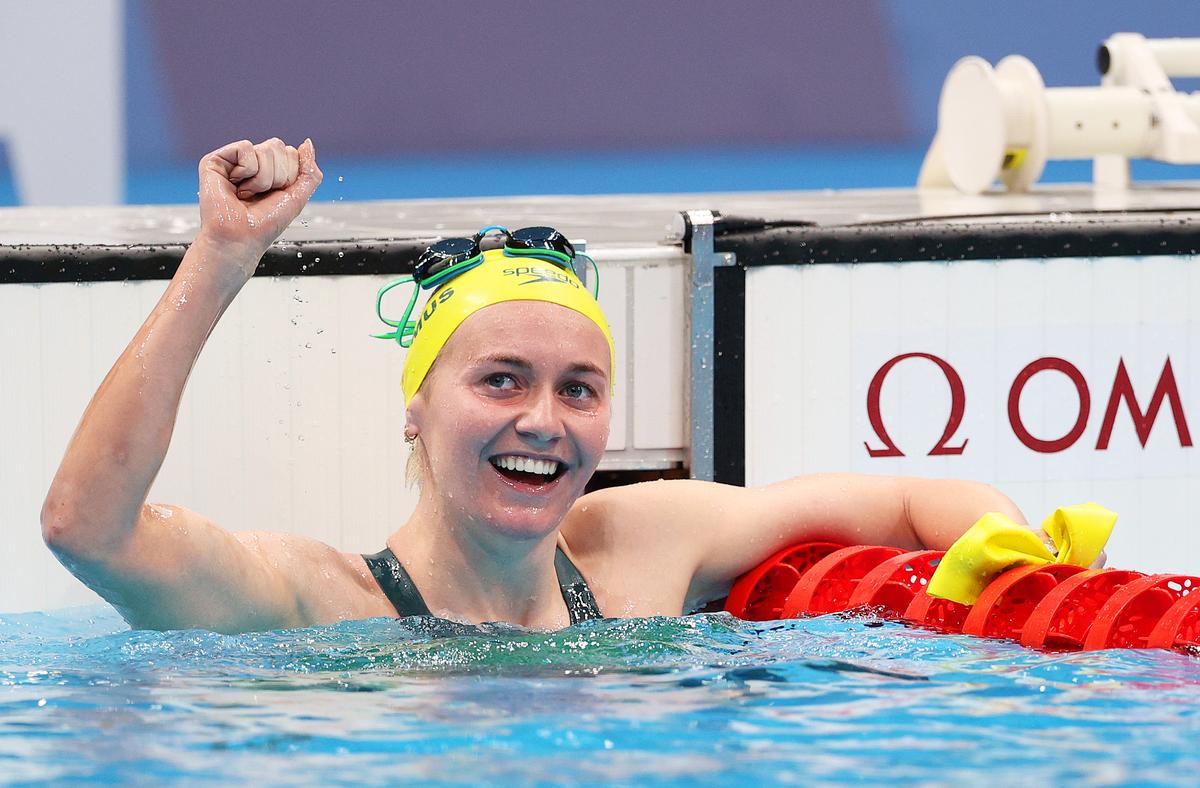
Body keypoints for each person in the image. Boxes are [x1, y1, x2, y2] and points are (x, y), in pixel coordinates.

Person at [41, 138, 1031, 635]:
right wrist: (220, 253)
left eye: (579, 388)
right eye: (501, 379)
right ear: (416, 408)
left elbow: (907, 501)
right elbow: (86, 524)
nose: (542, 422)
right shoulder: (323, 604)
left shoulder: (642, 549)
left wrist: (1017, 552)